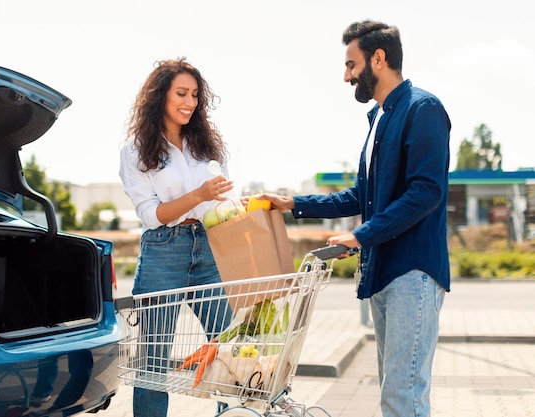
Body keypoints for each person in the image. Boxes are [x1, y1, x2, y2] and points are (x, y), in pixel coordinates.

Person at [256, 20, 451, 417]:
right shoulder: (380, 119)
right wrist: (294, 204)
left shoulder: (422, 109)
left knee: (404, 396)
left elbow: (425, 192)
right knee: (396, 393)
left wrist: (360, 236)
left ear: (378, 59)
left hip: (413, 273)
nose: (346, 76)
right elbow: (362, 196)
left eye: (351, 64)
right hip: (384, 273)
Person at [119, 58, 234, 417]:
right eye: (181, 93)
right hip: (163, 252)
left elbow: (224, 202)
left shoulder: (208, 145)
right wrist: (199, 195)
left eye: (195, 95)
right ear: (160, 97)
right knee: (152, 360)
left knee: (228, 344)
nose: (189, 102)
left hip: (209, 249)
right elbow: (152, 216)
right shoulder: (135, 150)